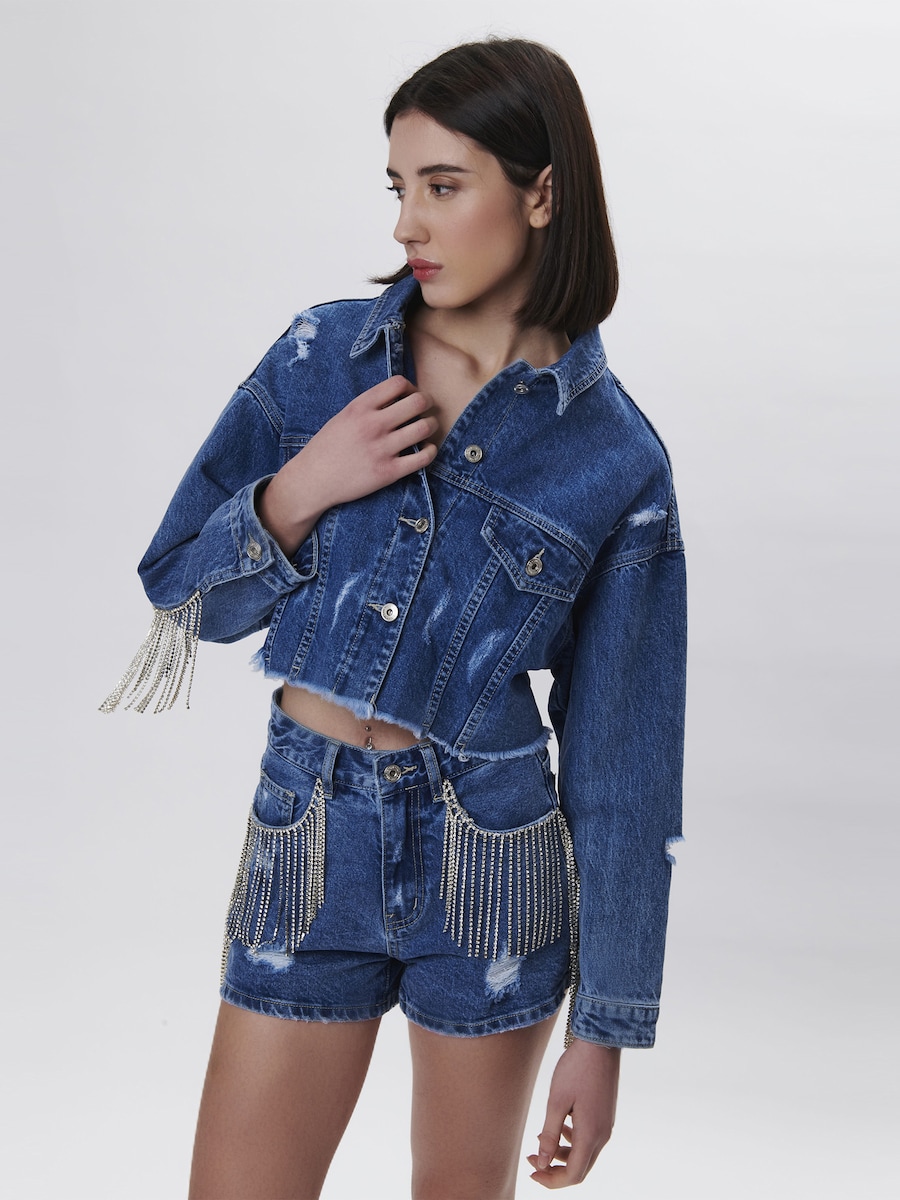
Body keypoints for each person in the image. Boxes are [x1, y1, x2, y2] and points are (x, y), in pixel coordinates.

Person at [102, 37, 686, 1199]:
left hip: (494, 855)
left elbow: (624, 770)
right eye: (399, 186)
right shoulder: (323, 357)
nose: (407, 224)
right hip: (308, 828)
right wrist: (299, 488)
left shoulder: (616, 457)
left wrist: (606, 1032)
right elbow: (182, 595)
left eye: (443, 185)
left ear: (542, 194)